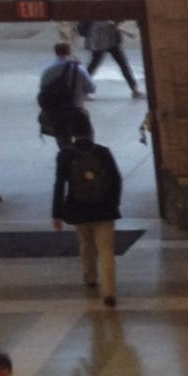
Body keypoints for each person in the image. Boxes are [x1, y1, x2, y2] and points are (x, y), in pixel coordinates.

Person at [52, 109, 123, 307]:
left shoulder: (65, 155)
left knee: (86, 243)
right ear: (91, 130)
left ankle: (91, 276)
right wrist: (114, 203)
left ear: (72, 133)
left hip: (79, 208)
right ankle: (109, 292)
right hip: (105, 209)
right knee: (106, 249)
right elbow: (116, 179)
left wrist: (57, 213)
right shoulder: (102, 152)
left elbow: (59, 185)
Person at [38, 42, 94, 149]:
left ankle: (66, 153)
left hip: (55, 112)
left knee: (63, 139)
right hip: (76, 109)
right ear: (69, 52)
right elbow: (91, 88)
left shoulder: (48, 69)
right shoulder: (78, 68)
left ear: (55, 52)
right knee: (86, 136)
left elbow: (42, 88)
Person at [82, 20, 144, 99]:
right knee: (94, 65)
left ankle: (135, 90)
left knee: (122, 64)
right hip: (101, 40)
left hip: (109, 40)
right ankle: (82, 90)